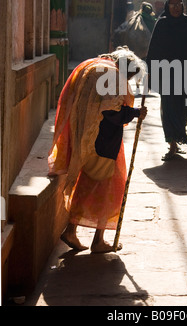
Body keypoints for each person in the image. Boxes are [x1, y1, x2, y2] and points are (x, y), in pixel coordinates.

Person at [48, 47, 147, 252]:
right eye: (129, 76)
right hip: (103, 140)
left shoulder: (94, 66)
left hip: (87, 137)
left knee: (88, 183)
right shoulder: (112, 76)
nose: (127, 81)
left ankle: (72, 230)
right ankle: (97, 240)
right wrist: (135, 112)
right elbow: (111, 110)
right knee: (106, 188)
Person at [146, 0, 187, 161]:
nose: (176, 8)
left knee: (185, 109)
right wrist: (150, 69)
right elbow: (154, 49)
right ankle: (172, 143)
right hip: (167, 74)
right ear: (167, 7)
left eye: (179, 4)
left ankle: (179, 136)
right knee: (169, 110)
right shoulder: (162, 24)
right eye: (173, 5)